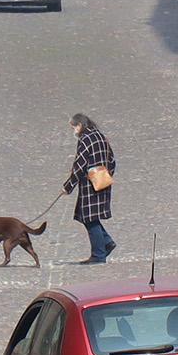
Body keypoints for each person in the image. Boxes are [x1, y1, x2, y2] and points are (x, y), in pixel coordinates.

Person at [65, 113, 118, 263]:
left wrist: (68, 187)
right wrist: (106, 175)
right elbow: (112, 160)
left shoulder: (85, 140)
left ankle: (98, 255)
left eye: (74, 127)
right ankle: (106, 242)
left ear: (80, 125)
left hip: (90, 185)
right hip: (103, 181)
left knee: (89, 218)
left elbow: (79, 165)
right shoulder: (100, 136)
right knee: (90, 217)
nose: (74, 130)